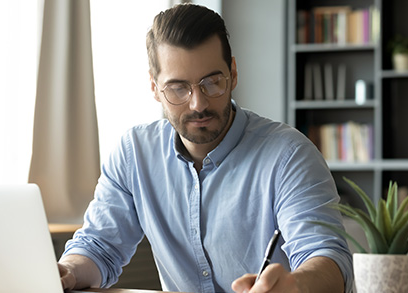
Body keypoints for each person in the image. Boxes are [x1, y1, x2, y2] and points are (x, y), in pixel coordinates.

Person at [58, 4, 353, 293]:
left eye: (212, 83)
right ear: (154, 88)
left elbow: (327, 259)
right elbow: (98, 247)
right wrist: (68, 272)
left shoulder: (290, 155)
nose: (198, 103)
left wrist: (297, 286)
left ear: (233, 73)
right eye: (178, 88)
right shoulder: (134, 153)